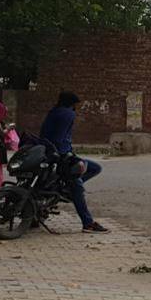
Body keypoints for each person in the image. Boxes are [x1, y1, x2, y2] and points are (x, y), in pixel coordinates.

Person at [40, 92, 109, 233]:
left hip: (49, 152)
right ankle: (88, 223)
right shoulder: (67, 114)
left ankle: (64, 189)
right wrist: (71, 158)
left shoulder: (54, 112)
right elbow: (60, 140)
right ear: (72, 104)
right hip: (61, 156)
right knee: (77, 187)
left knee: (94, 167)